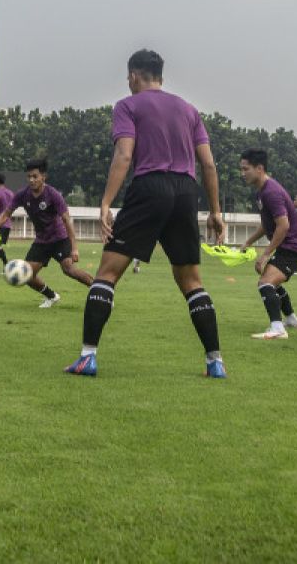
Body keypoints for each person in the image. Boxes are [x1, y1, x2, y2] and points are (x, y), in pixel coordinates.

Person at [64, 49, 226, 378]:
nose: (128, 83)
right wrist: (216, 211)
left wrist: (106, 203)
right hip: (185, 191)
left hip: (149, 187)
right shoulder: (189, 109)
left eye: (128, 78)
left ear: (134, 76)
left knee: (107, 273)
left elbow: (124, 155)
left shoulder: (127, 106)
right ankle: (215, 362)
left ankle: (87, 357)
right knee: (192, 281)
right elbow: (208, 164)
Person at [0, 158, 93, 308]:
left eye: (35, 176)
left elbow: (67, 220)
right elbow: (6, 213)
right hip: (42, 241)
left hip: (59, 239)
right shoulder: (22, 194)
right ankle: (52, 296)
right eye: (29, 176)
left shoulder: (53, 194)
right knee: (27, 275)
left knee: (69, 269)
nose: (31, 180)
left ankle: (100, 292)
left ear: (43, 177)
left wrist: (74, 248)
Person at [239, 148, 297, 341]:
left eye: (246, 169)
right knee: (273, 283)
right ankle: (292, 320)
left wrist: (265, 255)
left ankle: (277, 328)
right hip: (289, 247)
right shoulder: (261, 193)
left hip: (294, 249)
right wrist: (248, 241)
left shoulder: (271, 192)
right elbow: (267, 225)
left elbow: (283, 226)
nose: (242, 173)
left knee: (265, 283)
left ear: (259, 168)